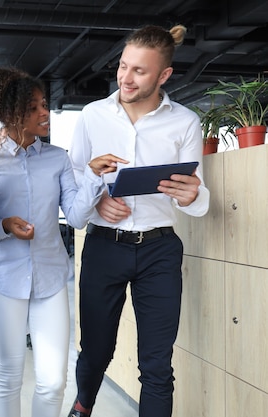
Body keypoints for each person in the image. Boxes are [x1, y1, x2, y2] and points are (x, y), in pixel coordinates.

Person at [0, 66, 126, 417]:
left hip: (51, 279)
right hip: (3, 279)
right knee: (8, 376)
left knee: (53, 381)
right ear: (11, 114)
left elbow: (78, 215)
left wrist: (95, 178)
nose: (44, 113)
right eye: (34, 107)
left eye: (44, 104)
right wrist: (4, 225)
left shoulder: (57, 158)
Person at [67, 25, 210, 417]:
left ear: (164, 75)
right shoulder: (94, 116)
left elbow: (198, 196)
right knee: (96, 352)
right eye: (123, 66)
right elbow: (78, 180)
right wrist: (97, 204)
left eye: (139, 71)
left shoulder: (185, 123)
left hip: (159, 251)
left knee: (157, 365)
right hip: (103, 247)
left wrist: (193, 194)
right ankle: (82, 407)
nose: (125, 78)